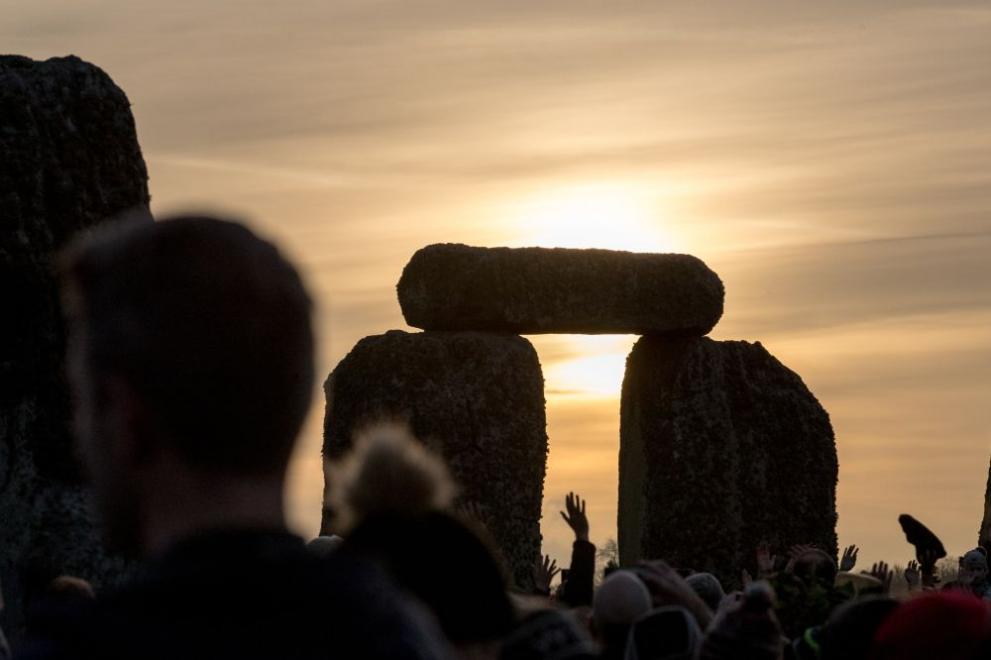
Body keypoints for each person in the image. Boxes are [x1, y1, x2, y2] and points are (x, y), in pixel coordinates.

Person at [17, 215, 448, 659]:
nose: (79, 434)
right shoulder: (405, 638)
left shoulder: (75, 650)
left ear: (127, 418)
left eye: (83, 405)